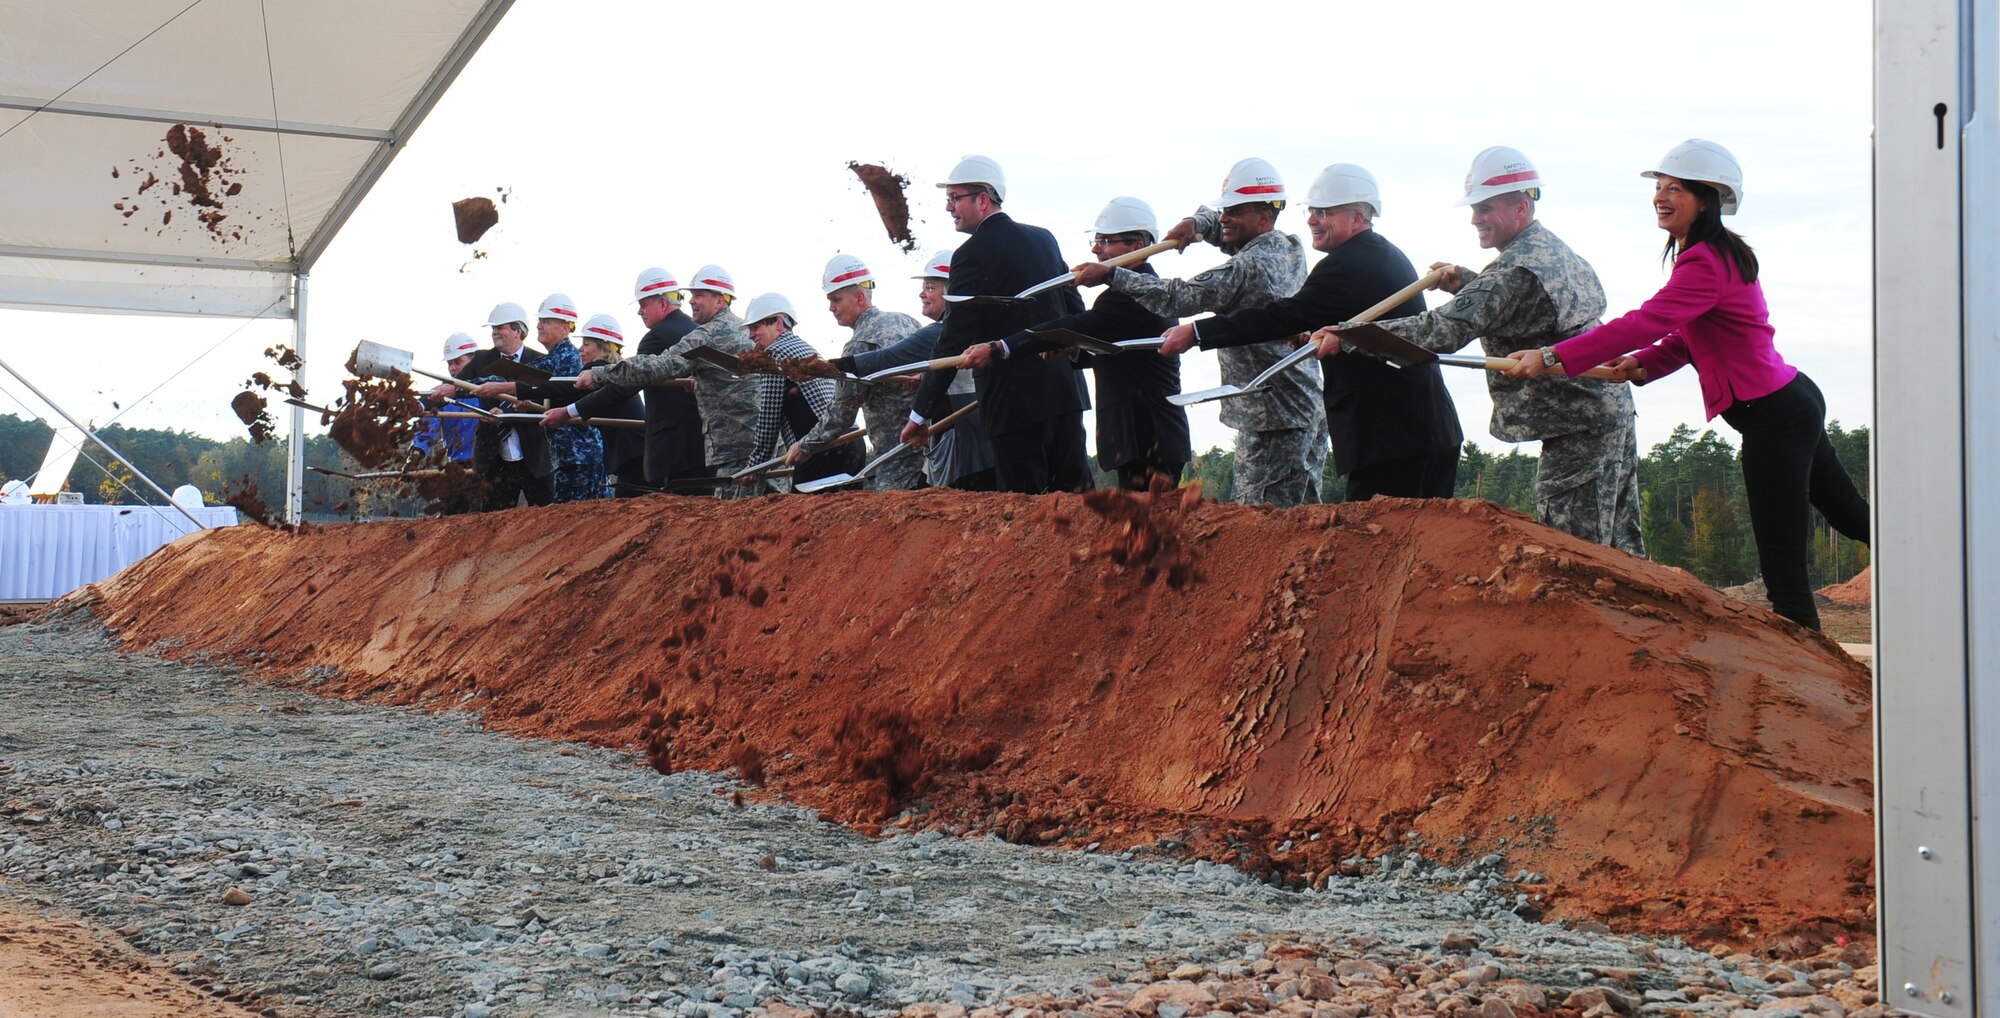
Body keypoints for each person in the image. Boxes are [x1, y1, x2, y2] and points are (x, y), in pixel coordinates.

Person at [1504, 139, 1869, 630]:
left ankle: (1811, 690)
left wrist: (1553, 356)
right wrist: (1642, 364)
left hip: (1777, 417)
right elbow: (1689, 334)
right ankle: (1947, 553)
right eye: (1658, 186)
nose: (1661, 195)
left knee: (1782, 566)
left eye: (1675, 188)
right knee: (1852, 518)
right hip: (1789, 402)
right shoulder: (1713, 256)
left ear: (1707, 199)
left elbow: (1648, 319)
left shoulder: (1704, 262)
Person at [1316, 146, 1643, 553]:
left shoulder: (1514, 271)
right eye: (1475, 208)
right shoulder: (1551, 252)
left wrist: (1348, 335)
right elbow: (1530, 309)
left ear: (1521, 207)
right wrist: (1468, 282)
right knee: (1621, 547)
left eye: (1486, 208)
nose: (1475, 218)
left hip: (1578, 425)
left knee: (1577, 552)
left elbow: (1441, 329)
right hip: (1605, 412)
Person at [1161, 165, 1461, 500]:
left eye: (1325, 213)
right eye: (1312, 211)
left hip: (1392, 442)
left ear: (1357, 217)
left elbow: (1284, 315)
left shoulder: (1345, 265)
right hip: (1425, 433)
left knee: (1373, 547)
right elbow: (1342, 321)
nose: (1311, 220)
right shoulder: (1382, 254)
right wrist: (1314, 331)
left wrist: (1199, 331)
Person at [1076, 157, 1324, 507]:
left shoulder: (1250, 267)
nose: (1223, 218)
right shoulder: (1288, 246)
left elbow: (1180, 297)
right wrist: (1196, 223)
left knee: (1260, 520)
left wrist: (1112, 275)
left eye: (1233, 211)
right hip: (1297, 408)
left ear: (1264, 217)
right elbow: (1223, 227)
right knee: (1299, 520)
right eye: (1223, 211)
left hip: (1273, 418)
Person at [968, 197, 1189, 491]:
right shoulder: (1141, 292)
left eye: (1106, 241)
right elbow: (1121, 351)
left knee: (1146, 529)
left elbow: (1071, 325)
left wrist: (1001, 347)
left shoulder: (1129, 295)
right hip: (1149, 437)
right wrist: (1074, 350)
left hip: (1146, 437)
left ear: (1138, 247)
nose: (1097, 250)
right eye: (1096, 241)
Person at [904, 155, 1091, 494]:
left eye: (955, 198)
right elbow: (1073, 308)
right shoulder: (1044, 239)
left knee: (1023, 513)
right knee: (1078, 507)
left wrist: (920, 414)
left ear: (983, 199)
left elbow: (952, 339)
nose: (949, 207)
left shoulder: (970, 254)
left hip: (1013, 405)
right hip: (1065, 394)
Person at [575, 266, 760, 498]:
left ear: (720, 300)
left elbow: (660, 365)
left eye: (699, 295)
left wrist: (600, 374)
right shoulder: (746, 331)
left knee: (735, 523)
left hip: (731, 449)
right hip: (759, 445)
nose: (691, 302)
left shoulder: (707, 335)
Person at [834, 250, 998, 490]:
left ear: (954, 290)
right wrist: (925, 377)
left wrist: (826, 367)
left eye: (930, 287)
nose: (922, 294)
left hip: (963, 444)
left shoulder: (940, 333)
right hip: (977, 438)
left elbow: (888, 358)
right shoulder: (977, 327)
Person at [551, 268, 705, 495]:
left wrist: (569, 411)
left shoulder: (656, 337)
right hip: (703, 443)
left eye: (643, 305)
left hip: (673, 449)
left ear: (662, 303)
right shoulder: (697, 330)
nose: (640, 312)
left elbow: (624, 386)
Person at [788, 254, 924, 489]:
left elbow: (842, 412)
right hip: (928, 448)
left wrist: (804, 445)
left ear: (860, 297)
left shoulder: (858, 346)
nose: (831, 308)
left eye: (836, 299)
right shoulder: (908, 322)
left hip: (895, 456)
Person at [472, 293, 602, 501]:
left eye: (547, 321)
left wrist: (505, 387)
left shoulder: (569, 356)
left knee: (578, 516)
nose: (540, 326)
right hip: (563, 455)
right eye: (540, 321)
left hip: (579, 454)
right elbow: (520, 375)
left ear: (565, 327)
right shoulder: (552, 359)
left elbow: (559, 389)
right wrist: (456, 388)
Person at [739, 293, 862, 487]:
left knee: (805, 516)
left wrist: (755, 466)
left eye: (756, 327)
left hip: (821, 451)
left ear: (778, 324)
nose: (750, 335)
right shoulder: (805, 349)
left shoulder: (774, 355)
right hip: (851, 444)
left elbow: (769, 418)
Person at [461, 302, 554, 510]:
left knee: (546, 515)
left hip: (533, 457)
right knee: (493, 522)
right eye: (493, 328)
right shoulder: (481, 359)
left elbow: (544, 398)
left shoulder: (539, 361)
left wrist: (506, 413)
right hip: (494, 459)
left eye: (500, 327)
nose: (494, 333)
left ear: (518, 331)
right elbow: (458, 385)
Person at [411, 332, 482, 514]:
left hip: (483, 467)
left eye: (458, 362)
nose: (453, 368)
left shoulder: (487, 390)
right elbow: (427, 428)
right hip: (455, 470)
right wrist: (415, 456)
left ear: (473, 360)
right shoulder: (441, 394)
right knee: (449, 521)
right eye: (450, 363)